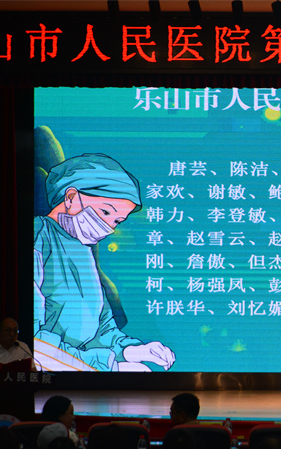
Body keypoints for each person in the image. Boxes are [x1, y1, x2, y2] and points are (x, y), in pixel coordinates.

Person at [34, 153, 175, 372]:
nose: (108, 226)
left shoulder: (82, 249)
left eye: (117, 220)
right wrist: (106, 364)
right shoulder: (38, 238)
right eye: (105, 211)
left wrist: (130, 350)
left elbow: (102, 329)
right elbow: (34, 342)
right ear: (70, 197)